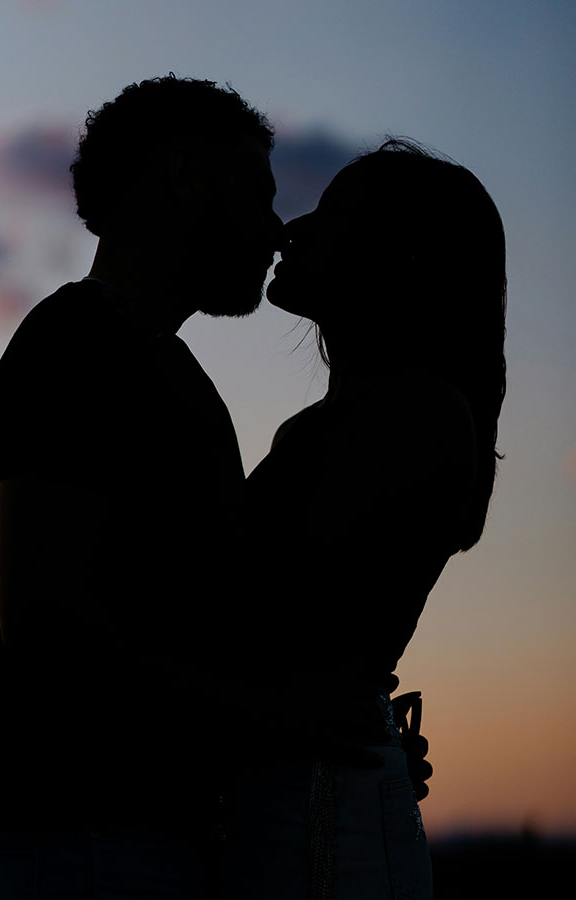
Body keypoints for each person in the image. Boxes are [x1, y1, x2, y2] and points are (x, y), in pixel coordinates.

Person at [0, 74, 431, 898]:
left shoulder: (155, 366)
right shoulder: (78, 345)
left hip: (125, 845)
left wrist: (336, 748)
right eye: (258, 192)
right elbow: (49, 628)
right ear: (183, 175)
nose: (275, 228)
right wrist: (291, 720)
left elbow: (194, 634)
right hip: (78, 850)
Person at [216, 139, 507, 900]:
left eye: (331, 214)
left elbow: (276, 620)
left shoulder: (421, 417)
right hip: (295, 802)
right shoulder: (328, 426)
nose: (292, 230)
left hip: (323, 820)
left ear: (398, 257)